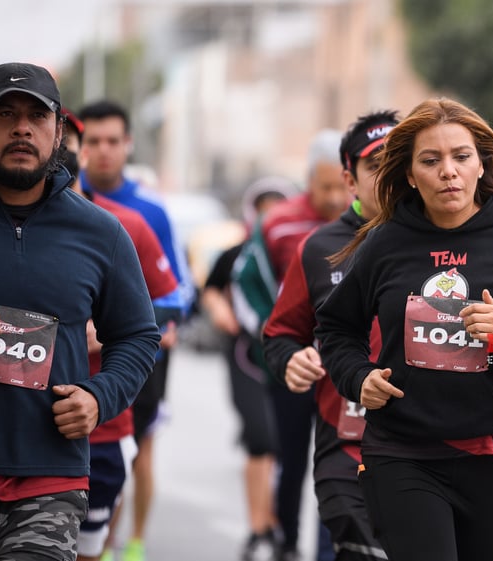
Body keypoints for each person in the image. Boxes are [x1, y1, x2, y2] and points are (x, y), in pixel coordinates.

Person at [314, 98, 493, 561]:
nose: (448, 171)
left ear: (481, 165)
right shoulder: (386, 242)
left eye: (461, 157)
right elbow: (335, 327)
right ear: (409, 173)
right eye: (431, 160)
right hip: (401, 451)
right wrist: (357, 377)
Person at [0, 62, 160, 561]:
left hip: (47, 482)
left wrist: (99, 396)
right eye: (5, 114)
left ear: (58, 132)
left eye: (37, 117)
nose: (22, 128)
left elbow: (137, 336)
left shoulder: (100, 233)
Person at [263, 110, 399, 561]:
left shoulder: (439, 240)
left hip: (428, 448)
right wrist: (292, 358)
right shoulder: (321, 248)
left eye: (398, 161)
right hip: (346, 445)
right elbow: (280, 333)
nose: (389, 175)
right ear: (350, 179)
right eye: (375, 165)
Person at [61, 109, 181, 561]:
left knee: (91, 545)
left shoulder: (128, 222)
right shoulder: (2, 226)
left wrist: (117, 329)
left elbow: (173, 299)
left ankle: (133, 541)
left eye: (70, 146)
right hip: (19, 427)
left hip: (110, 413)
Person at [253, 129, 352, 561]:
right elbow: (252, 289)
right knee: (291, 458)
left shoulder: (369, 227)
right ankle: (287, 541)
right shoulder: (277, 223)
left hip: (345, 371)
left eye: (340, 186)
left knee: (338, 465)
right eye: (324, 186)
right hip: (294, 364)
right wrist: (279, 345)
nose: (333, 197)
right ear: (308, 180)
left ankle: (328, 550)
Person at [200, 176, 297, 561]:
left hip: (290, 358)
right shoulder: (236, 254)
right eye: (263, 208)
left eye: (279, 207)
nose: (270, 216)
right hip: (246, 357)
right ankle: (258, 527)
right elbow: (209, 289)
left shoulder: (300, 253)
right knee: (261, 439)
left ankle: (277, 527)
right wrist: (221, 310)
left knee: (287, 448)